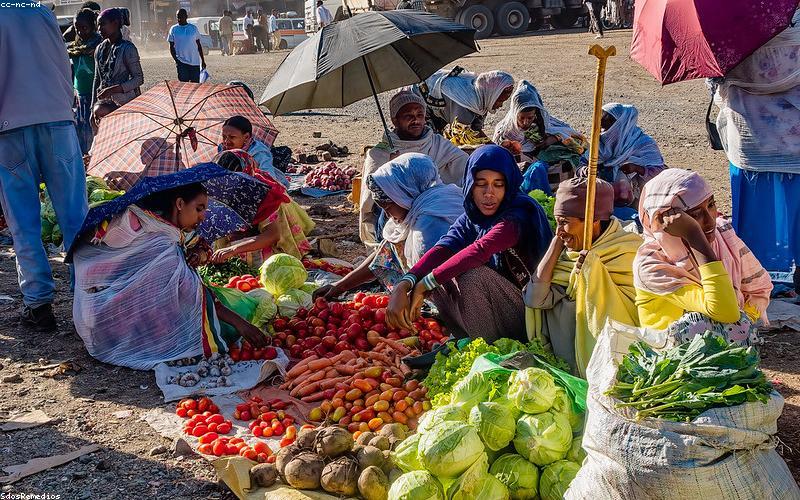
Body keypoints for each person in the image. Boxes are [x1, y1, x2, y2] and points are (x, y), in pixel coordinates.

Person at [72, 182, 268, 370]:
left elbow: (201, 246)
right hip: (116, 320)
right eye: (199, 209)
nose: (202, 217)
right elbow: (196, 295)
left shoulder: (165, 227)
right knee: (220, 328)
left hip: (103, 320)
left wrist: (199, 254)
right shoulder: (156, 240)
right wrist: (241, 325)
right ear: (180, 204)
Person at [386, 145, 553, 342]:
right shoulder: (474, 215)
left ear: (509, 185)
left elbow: (481, 249)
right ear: (469, 184)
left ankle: (489, 345)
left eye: (498, 184)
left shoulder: (519, 214)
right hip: (500, 303)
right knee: (438, 270)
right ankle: (466, 336)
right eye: (481, 184)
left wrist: (426, 283)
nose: (489, 193)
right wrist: (406, 282)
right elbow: (446, 245)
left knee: (470, 275)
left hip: (532, 312)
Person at [0, 7, 89, 331]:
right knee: (75, 216)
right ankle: (86, 296)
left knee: (23, 222)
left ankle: (38, 305)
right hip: (57, 121)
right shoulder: (40, 12)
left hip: (9, 128)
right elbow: (63, 66)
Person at [634, 169, 773, 346]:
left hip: (720, 352)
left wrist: (744, 321)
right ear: (665, 221)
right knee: (697, 321)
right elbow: (725, 310)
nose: (710, 220)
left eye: (711, 205)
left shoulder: (723, 234)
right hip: (671, 357)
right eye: (694, 214)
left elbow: (758, 289)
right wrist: (694, 235)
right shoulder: (651, 263)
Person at [714, 11, 800, 289]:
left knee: (758, 218)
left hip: (750, 141)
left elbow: (714, 80)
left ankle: (758, 276)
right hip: (795, 143)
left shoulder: (733, 24)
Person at [525, 177, 642, 375]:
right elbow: (535, 299)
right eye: (557, 222)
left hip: (611, 363)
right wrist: (556, 244)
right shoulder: (566, 253)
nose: (559, 230)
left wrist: (593, 273)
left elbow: (628, 317)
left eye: (564, 223)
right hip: (567, 361)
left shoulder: (627, 250)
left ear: (593, 221)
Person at [316, 154, 464, 300]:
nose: (387, 215)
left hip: (454, 300)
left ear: (404, 194)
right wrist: (340, 286)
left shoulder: (430, 222)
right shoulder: (418, 204)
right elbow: (386, 253)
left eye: (387, 207)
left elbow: (430, 277)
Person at [360, 90, 468, 249]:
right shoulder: (380, 153)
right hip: (395, 216)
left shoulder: (438, 144)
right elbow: (373, 198)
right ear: (395, 120)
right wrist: (390, 173)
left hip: (431, 210)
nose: (416, 120)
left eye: (420, 115)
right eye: (408, 116)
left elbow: (465, 167)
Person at [211, 150, 314, 263]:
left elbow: (273, 235)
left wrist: (233, 249)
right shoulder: (219, 189)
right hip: (246, 236)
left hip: (273, 241)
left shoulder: (261, 194)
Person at [493, 80, 588, 193]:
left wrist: (551, 139)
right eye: (521, 118)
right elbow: (496, 155)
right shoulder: (504, 130)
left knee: (566, 164)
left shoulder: (544, 123)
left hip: (543, 159)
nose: (525, 122)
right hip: (520, 165)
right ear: (514, 114)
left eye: (530, 118)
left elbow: (569, 134)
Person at [594, 102, 665, 216]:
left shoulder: (643, 144)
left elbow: (659, 174)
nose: (604, 133)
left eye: (607, 128)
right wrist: (587, 170)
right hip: (600, 202)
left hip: (636, 201)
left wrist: (637, 168)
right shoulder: (599, 143)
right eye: (602, 128)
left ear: (621, 125)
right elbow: (582, 165)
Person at [418, 67, 514, 135]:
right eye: (499, 101)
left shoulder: (482, 97)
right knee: (430, 142)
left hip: (439, 111)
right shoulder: (465, 103)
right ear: (493, 95)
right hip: (420, 103)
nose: (501, 105)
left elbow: (475, 130)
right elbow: (463, 135)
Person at [91, 8, 143, 128]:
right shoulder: (99, 49)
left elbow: (139, 79)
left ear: (115, 23)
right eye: (98, 26)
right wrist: (92, 107)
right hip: (103, 105)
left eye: (102, 24)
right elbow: (97, 79)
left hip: (125, 104)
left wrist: (113, 90)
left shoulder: (128, 48)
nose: (99, 29)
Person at [219, 115, 287, 188]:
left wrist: (254, 171)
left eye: (232, 137)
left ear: (246, 137)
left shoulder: (259, 153)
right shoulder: (222, 148)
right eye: (224, 136)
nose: (226, 141)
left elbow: (269, 180)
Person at [68, 8, 101, 154]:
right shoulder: (74, 47)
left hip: (94, 94)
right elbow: (62, 37)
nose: (80, 32)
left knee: (92, 128)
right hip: (79, 94)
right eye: (77, 28)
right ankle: (83, 160)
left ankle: (92, 157)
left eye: (84, 28)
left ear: (93, 26)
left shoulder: (99, 44)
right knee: (80, 128)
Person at [168, 9, 206, 83]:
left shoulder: (193, 28)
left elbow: (199, 45)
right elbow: (171, 46)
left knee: (195, 86)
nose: (179, 19)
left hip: (195, 63)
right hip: (181, 62)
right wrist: (176, 60)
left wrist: (203, 61)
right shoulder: (173, 29)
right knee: (183, 86)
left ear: (186, 17)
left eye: (181, 16)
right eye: (177, 17)